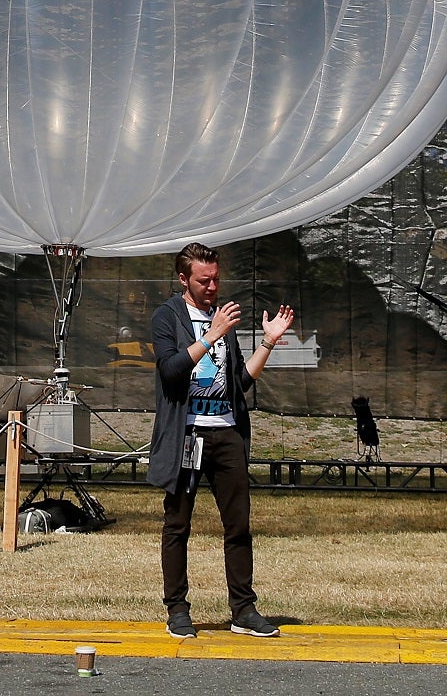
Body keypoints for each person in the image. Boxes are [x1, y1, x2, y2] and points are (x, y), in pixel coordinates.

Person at [147, 241, 295, 640]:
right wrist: (211, 335)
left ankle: (243, 610)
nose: (212, 287)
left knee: (239, 524)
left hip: (226, 432)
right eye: (204, 280)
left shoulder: (221, 317)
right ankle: (177, 610)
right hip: (186, 433)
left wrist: (267, 343)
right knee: (178, 523)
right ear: (184, 279)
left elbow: (239, 382)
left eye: (216, 279)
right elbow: (171, 371)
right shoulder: (169, 317)